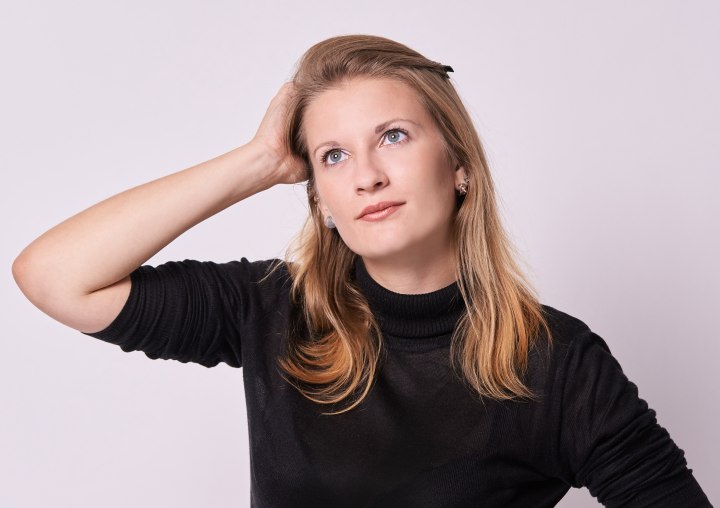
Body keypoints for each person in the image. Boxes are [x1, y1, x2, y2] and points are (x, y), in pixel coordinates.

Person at [12, 34, 711, 507]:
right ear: (319, 199)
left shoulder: (559, 363)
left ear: (460, 166)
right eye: (334, 156)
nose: (368, 176)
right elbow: (54, 275)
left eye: (394, 137)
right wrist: (259, 161)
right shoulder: (274, 310)